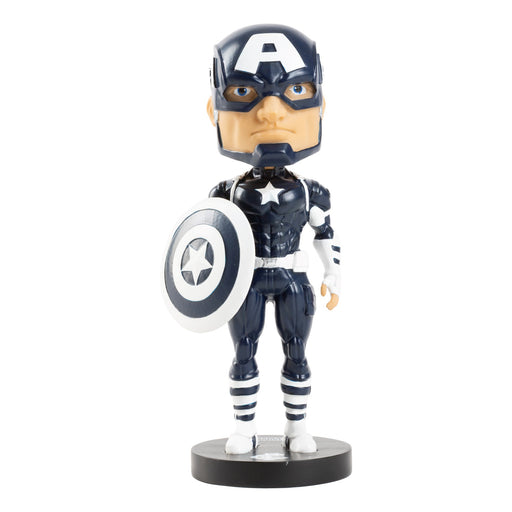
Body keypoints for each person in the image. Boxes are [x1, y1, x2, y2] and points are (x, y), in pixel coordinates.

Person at [206, 24, 341, 454]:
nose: (270, 113)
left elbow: (325, 232)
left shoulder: (310, 191)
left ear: (319, 104)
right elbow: (206, 240)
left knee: (296, 351)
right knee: (243, 352)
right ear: (214, 109)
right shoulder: (226, 191)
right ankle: (243, 428)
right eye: (245, 92)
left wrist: (333, 273)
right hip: (244, 281)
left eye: (295, 89)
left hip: (292, 278)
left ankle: (297, 428)